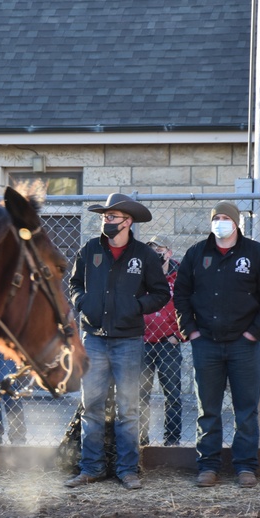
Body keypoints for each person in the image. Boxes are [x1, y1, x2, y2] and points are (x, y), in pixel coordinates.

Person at [65, 193, 170, 491]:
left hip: (128, 341)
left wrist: (135, 307)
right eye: (104, 217)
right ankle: (91, 468)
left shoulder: (144, 256)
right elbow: (74, 283)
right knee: (92, 406)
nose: (106, 222)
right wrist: (82, 301)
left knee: (128, 408)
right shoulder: (89, 250)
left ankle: (127, 470)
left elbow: (160, 293)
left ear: (128, 221)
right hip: (94, 339)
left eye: (112, 217)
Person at [174, 201, 260, 489]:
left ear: (236, 223)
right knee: (207, 409)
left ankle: (245, 466)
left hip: (243, 345)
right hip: (205, 343)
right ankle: (207, 466)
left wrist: (254, 333)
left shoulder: (256, 254)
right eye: (216, 218)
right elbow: (181, 293)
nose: (220, 222)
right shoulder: (197, 254)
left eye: (225, 218)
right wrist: (191, 331)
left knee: (246, 409)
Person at [139, 235, 185, 448]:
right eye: (151, 249)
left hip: (169, 343)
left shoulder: (181, 276)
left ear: (169, 252)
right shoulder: (141, 275)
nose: (155, 253)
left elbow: (188, 306)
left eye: (159, 249)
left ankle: (172, 441)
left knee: (173, 395)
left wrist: (179, 335)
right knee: (140, 395)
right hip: (143, 342)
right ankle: (141, 440)